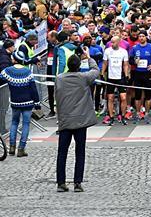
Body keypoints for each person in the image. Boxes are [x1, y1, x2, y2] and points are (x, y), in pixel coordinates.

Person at [54, 50, 99, 192]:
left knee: (62, 153)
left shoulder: (59, 78)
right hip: (80, 121)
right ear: (79, 65)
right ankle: (77, 182)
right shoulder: (83, 77)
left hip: (66, 120)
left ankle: (61, 182)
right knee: (80, 152)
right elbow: (96, 70)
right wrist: (89, 57)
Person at [0, 45, 40, 157]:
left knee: (14, 123)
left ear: (14, 59)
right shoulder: (27, 72)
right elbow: (33, 89)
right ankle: (21, 149)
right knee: (26, 124)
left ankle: (12, 147)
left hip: (15, 102)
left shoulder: (8, 71)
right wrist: (37, 103)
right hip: (28, 103)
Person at [129, 32, 151, 122]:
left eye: (143, 36)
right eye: (140, 36)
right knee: (137, 95)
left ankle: (147, 114)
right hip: (138, 73)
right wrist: (134, 62)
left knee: (148, 95)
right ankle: (138, 113)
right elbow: (130, 59)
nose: (141, 38)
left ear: (146, 37)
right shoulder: (135, 48)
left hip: (147, 73)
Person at [101, 35, 129, 125]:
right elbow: (105, 63)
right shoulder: (107, 51)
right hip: (111, 77)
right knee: (110, 97)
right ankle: (111, 116)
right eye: (111, 42)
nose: (111, 44)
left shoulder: (123, 52)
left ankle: (123, 116)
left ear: (118, 42)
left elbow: (125, 64)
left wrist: (126, 75)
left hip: (120, 77)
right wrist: (102, 73)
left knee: (123, 97)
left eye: (113, 42)